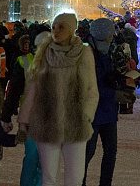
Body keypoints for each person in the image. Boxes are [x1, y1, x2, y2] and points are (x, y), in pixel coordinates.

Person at [20, 13, 98, 186]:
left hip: (75, 124)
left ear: (71, 29)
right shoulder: (44, 53)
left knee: (75, 178)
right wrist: (24, 120)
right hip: (47, 123)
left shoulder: (84, 53)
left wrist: (85, 116)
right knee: (48, 177)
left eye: (61, 27)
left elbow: (92, 89)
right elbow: (32, 90)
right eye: (54, 27)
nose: (56, 31)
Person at [83, 18, 128, 186]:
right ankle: (79, 181)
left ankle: (105, 183)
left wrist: (119, 79)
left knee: (111, 152)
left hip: (109, 110)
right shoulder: (86, 52)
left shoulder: (112, 51)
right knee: (88, 152)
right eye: (111, 32)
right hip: (91, 112)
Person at [2, 32, 44, 186]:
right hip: (32, 117)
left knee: (41, 159)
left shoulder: (58, 62)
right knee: (35, 158)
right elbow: (13, 92)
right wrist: (6, 116)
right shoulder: (24, 62)